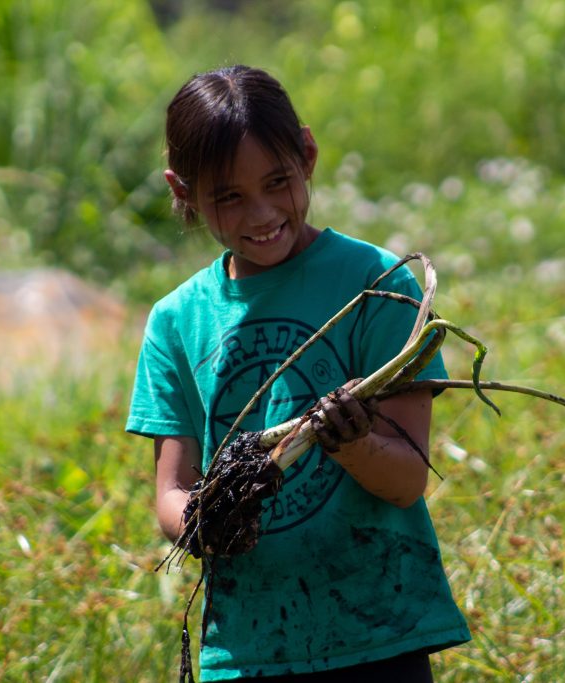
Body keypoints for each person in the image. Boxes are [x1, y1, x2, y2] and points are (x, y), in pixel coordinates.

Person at [126, 65, 470, 682]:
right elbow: (171, 493)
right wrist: (206, 520)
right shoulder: (176, 323)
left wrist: (352, 442)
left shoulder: (377, 286)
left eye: (277, 181)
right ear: (182, 190)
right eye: (228, 196)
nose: (260, 214)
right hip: (250, 649)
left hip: (380, 635)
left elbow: (407, 480)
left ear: (307, 155)